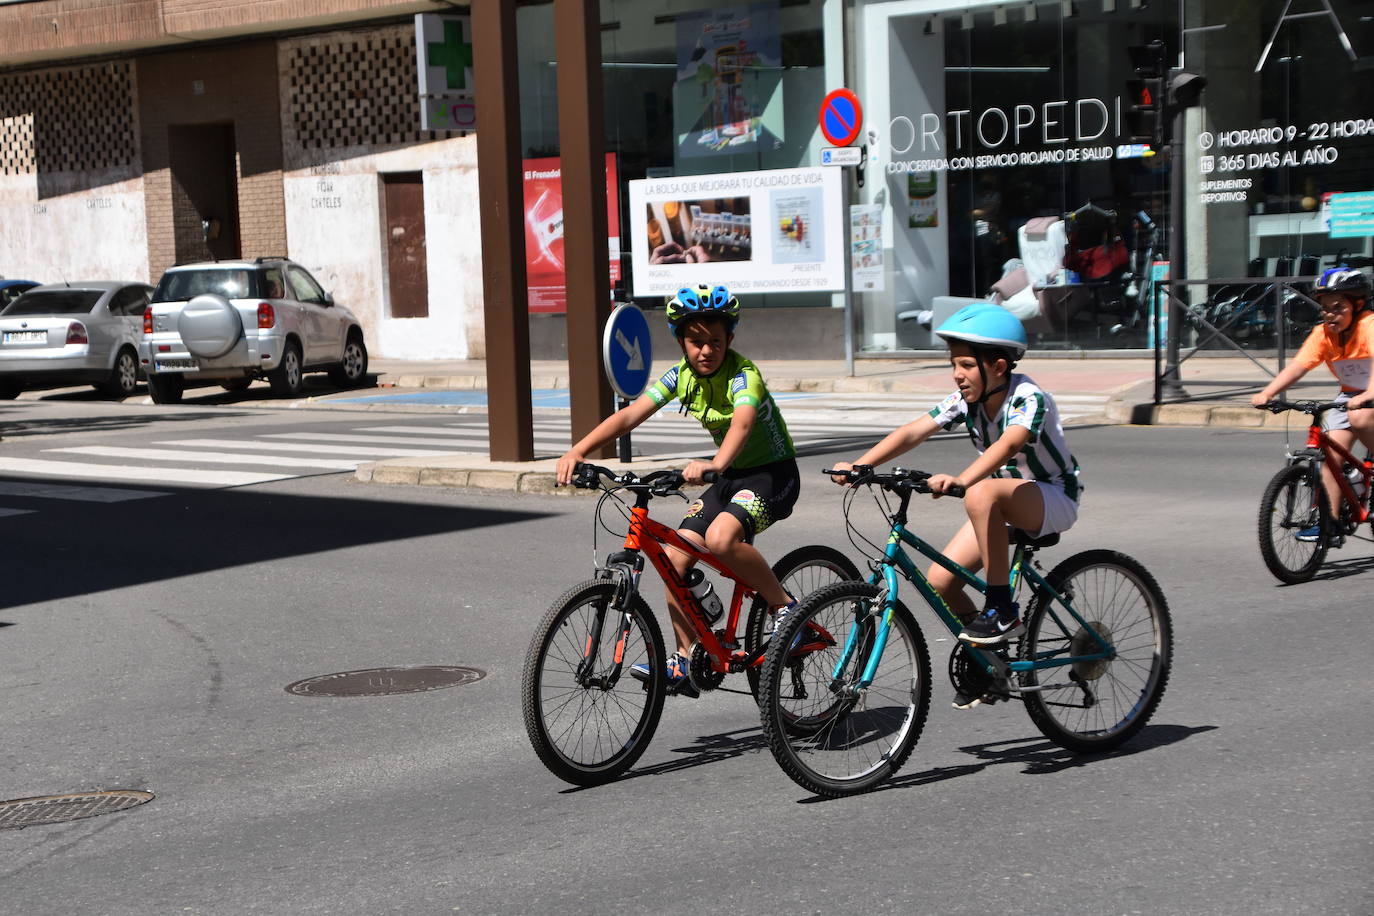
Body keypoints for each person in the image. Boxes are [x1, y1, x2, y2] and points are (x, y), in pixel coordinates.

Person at [829, 303, 1082, 708]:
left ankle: (1002, 609)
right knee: (941, 580)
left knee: (982, 491)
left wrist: (965, 479)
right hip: (1003, 500)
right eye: (954, 363)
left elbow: (1010, 443)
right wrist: (862, 465)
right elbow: (915, 430)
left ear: (998, 366)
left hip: (1053, 495)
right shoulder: (968, 399)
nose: (956, 374)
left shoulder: (1028, 397)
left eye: (965, 364)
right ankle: (990, 660)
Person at [555, 284, 801, 698]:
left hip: (771, 475)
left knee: (722, 539)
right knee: (673, 557)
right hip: (727, 477)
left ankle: (785, 608)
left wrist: (715, 464)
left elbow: (741, 422)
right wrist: (578, 450)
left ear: (731, 341)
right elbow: (632, 413)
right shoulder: (680, 375)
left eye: (716, 341)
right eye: (696, 341)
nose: (707, 350)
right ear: (682, 343)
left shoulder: (744, 375)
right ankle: (685, 658)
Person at [1251, 267, 1374, 543]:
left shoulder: (1370, 324)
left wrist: (1369, 394)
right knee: (1330, 459)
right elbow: (1298, 366)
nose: (1330, 313)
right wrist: (1269, 393)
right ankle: (1328, 524)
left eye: (1338, 307)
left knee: (1362, 419)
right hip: (1349, 398)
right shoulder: (1323, 334)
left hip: (1368, 398)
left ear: (1357, 305)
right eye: (1325, 308)